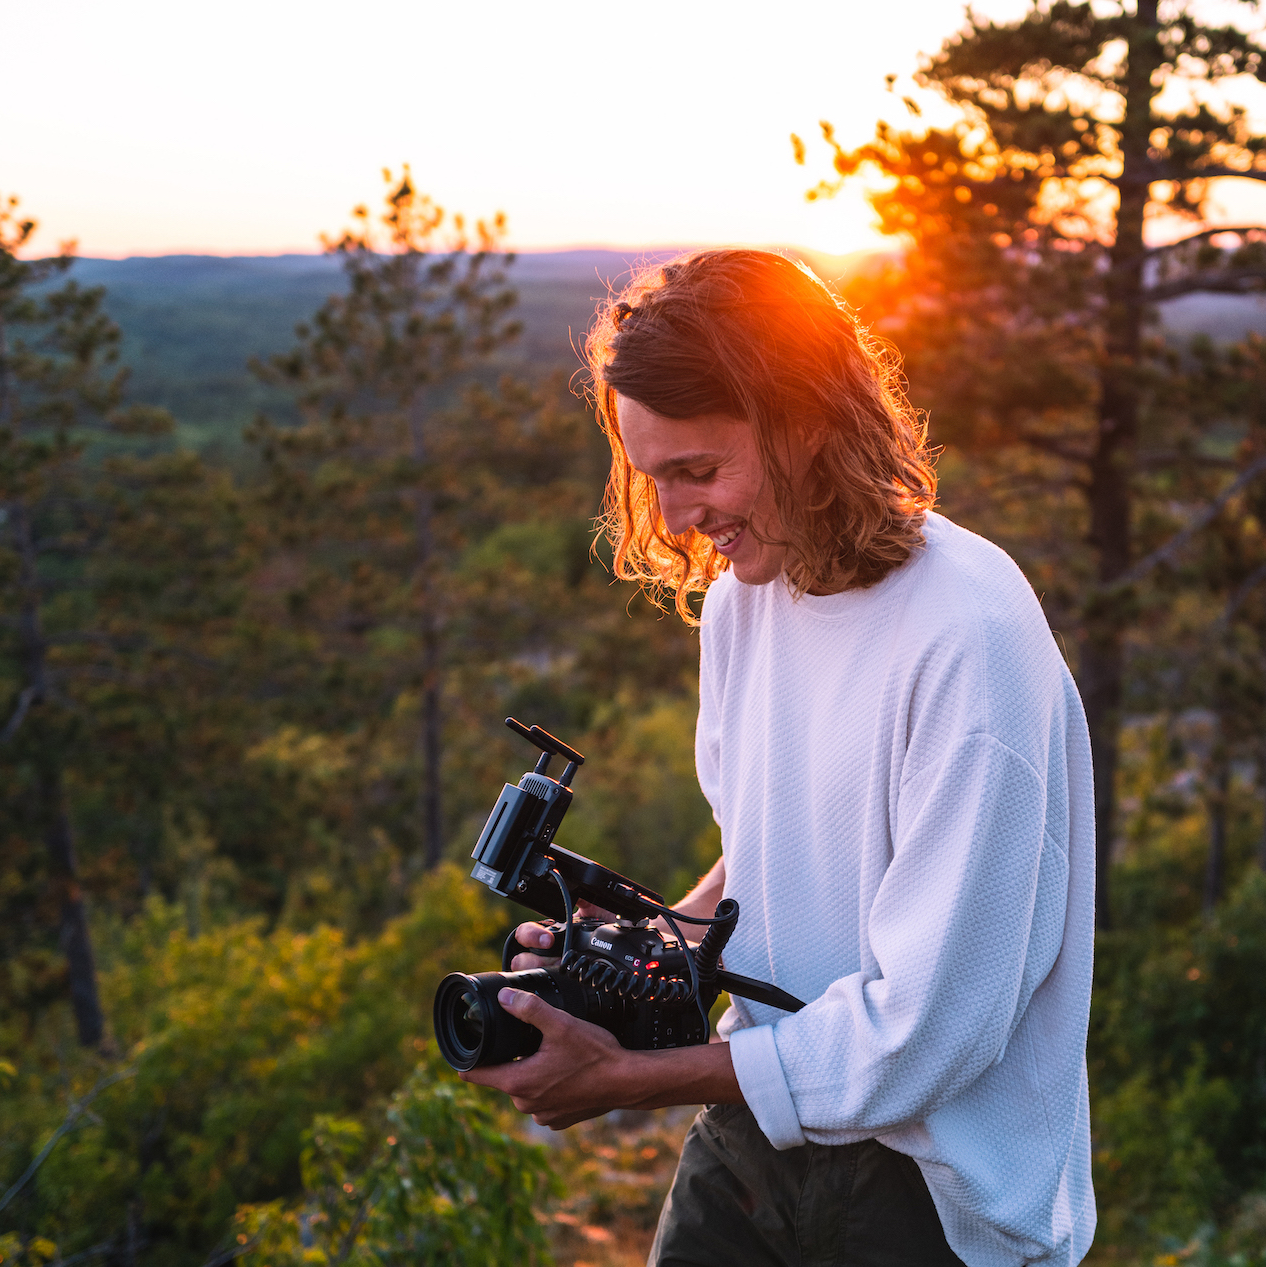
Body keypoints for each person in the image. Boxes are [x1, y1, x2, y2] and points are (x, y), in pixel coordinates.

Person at [462, 249, 1096, 1266]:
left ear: (807, 427)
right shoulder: (744, 602)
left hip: (930, 1195)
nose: (672, 519)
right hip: (754, 1136)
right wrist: (631, 959)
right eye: (649, 476)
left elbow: (924, 1035)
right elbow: (760, 864)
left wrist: (630, 1082)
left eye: (697, 473)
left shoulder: (965, 634)